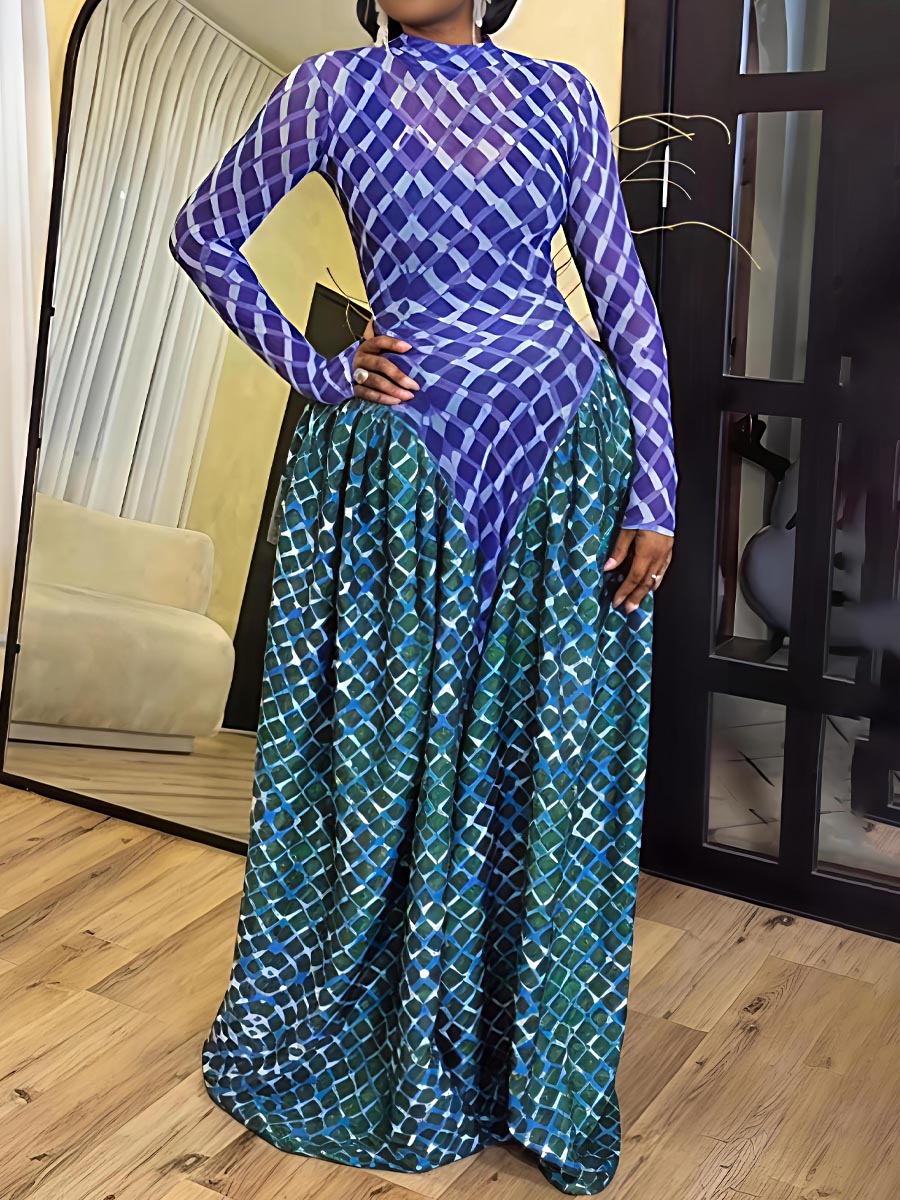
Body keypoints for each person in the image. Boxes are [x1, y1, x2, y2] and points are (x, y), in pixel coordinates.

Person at [168, 0, 677, 1193]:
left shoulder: (560, 98)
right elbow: (204, 235)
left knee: (533, 761)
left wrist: (655, 484)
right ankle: (390, 1037)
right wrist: (316, 366)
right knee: (383, 754)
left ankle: (514, 1060)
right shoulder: (333, 88)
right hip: (402, 476)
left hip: (563, 462)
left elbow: (624, 301)